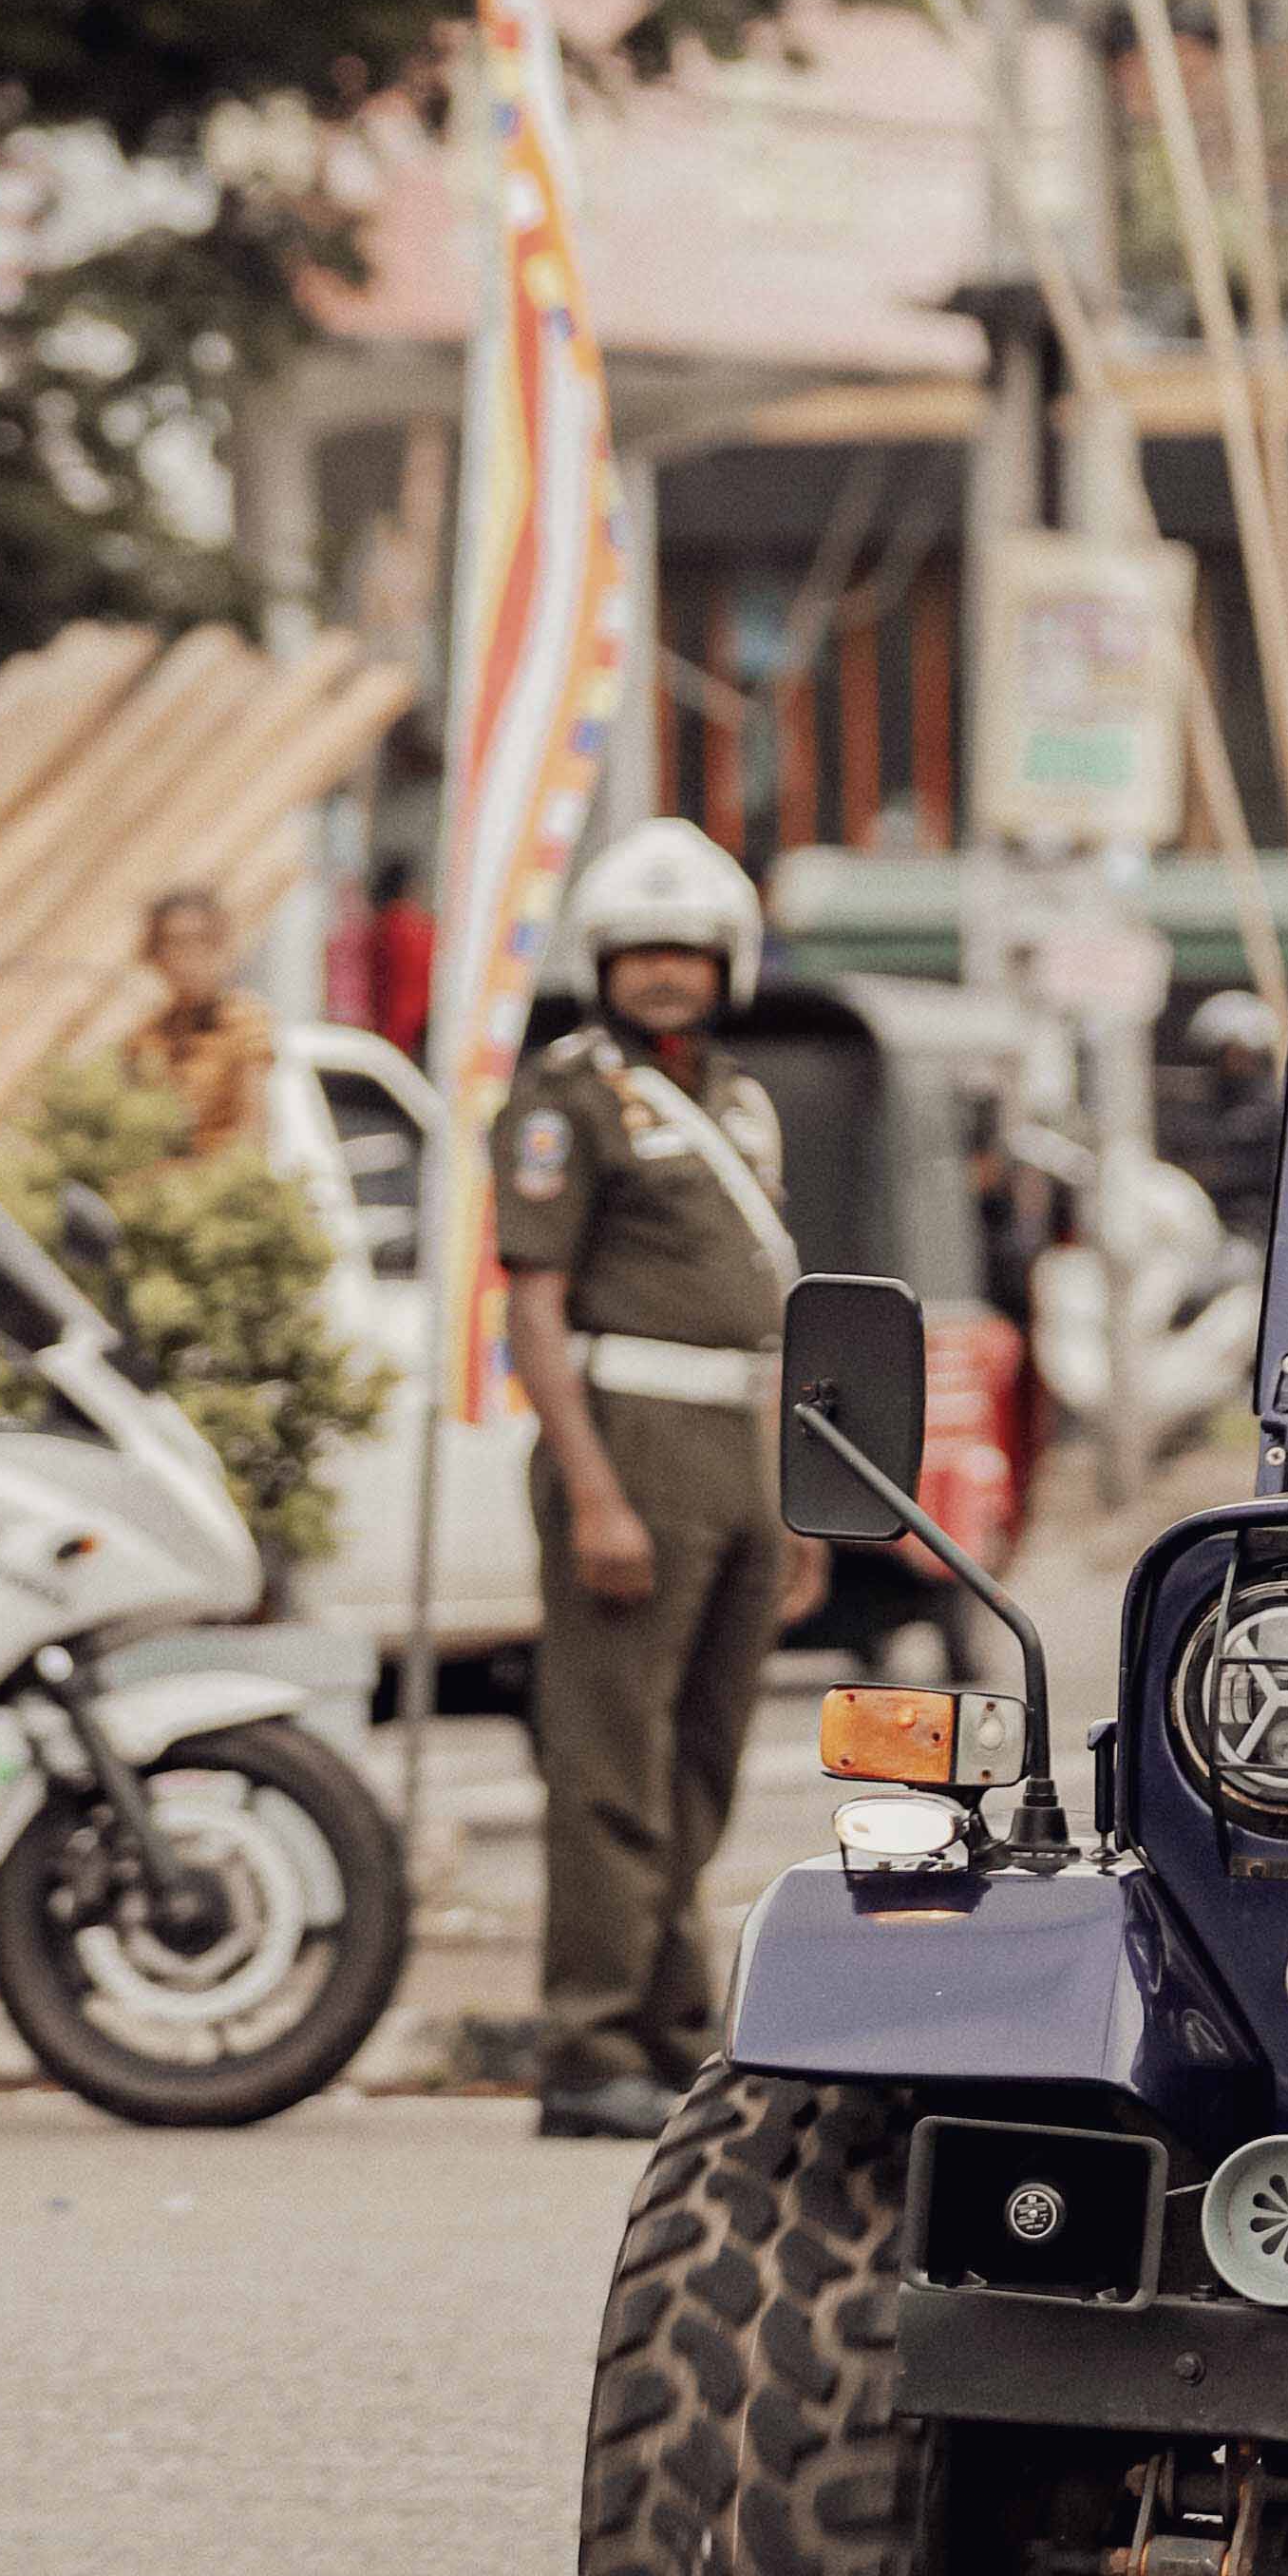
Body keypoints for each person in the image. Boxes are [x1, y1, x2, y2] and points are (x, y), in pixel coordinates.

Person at [494, 815, 819, 2145]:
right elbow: (533, 1305)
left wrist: (795, 1505)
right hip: (625, 1430)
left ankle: (673, 2023)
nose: (666, 972)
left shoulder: (741, 1098)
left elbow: (774, 1313)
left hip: (737, 1444)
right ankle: (585, 2043)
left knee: (701, 1761)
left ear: (727, 959)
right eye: (642, 952)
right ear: (604, 961)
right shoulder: (564, 1096)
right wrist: (595, 1493)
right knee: (609, 1761)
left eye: (689, 950)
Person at [124, 887, 275, 1157]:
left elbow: (253, 1134)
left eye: (202, 941)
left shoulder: (244, 1024)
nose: (190, 956)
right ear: (155, 955)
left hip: (222, 1186)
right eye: (175, 943)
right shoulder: (146, 1039)